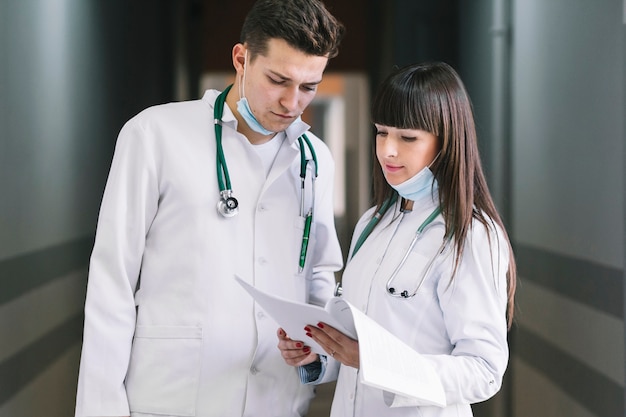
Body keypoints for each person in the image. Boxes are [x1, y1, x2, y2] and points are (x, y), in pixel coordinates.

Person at [74, 1, 345, 416]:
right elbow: (112, 283)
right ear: (241, 59)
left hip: (275, 399)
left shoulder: (315, 159)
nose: (292, 103)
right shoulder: (155, 135)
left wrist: (318, 356)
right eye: (278, 80)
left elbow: (320, 275)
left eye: (309, 87)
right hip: (172, 397)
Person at [278, 61, 517, 416]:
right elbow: (356, 347)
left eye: (407, 138)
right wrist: (318, 354)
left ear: (447, 142)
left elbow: (484, 370)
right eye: (381, 132)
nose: (388, 150)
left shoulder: (471, 234)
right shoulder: (373, 223)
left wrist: (376, 362)